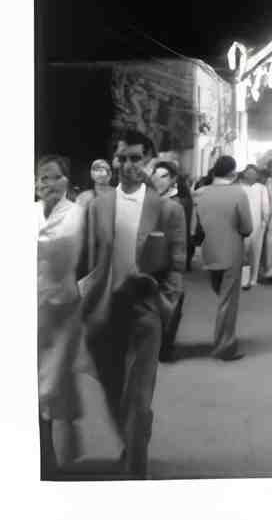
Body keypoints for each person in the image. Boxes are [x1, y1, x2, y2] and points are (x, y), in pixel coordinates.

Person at [81, 130, 187, 479]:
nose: (128, 165)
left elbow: (178, 263)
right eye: (123, 158)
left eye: (136, 158)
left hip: (145, 311)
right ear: (115, 160)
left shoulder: (168, 209)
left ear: (148, 160)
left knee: (138, 399)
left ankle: (136, 474)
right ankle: (133, 440)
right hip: (106, 309)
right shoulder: (98, 206)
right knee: (114, 393)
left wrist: (165, 302)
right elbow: (89, 259)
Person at [36, 155, 86, 476]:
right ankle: (46, 456)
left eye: (55, 177)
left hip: (63, 311)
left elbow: (63, 252)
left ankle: (63, 437)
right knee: (37, 386)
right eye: (42, 178)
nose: (48, 184)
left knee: (51, 383)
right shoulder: (29, 212)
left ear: (67, 180)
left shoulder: (76, 214)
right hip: (30, 311)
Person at [193, 155, 252, 360]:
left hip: (208, 250)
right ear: (232, 172)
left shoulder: (199, 193)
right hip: (231, 251)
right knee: (228, 300)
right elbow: (247, 227)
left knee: (221, 296)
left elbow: (195, 225)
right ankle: (224, 346)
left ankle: (222, 338)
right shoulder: (238, 193)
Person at [150, 160, 188, 362]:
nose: (159, 180)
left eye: (164, 176)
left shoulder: (175, 206)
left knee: (171, 305)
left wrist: (178, 265)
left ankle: (164, 347)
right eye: (156, 175)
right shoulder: (145, 201)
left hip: (168, 264)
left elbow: (180, 239)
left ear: (173, 179)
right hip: (146, 263)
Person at [239, 164, 271, 289]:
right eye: (249, 173)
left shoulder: (261, 188)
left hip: (257, 225)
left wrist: (265, 222)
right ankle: (246, 279)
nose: (251, 175)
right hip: (244, 225)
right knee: (245, 253)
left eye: (253, 173)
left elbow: (266, 207)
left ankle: (252, 278)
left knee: (254, 253)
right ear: (244, 174)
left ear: (257, 175)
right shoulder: (240, 188)